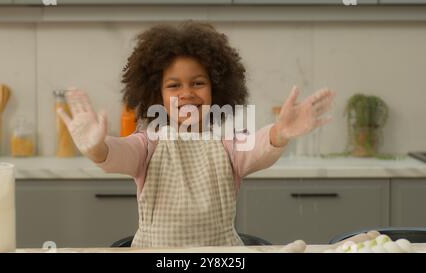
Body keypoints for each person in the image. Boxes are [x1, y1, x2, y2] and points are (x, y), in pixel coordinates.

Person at [58, 21, 335, 247]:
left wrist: (280, 132)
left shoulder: (229, 144)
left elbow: (258, 148)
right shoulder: (147, 144)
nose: (187, 93)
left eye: (198, 83)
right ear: (157, 95)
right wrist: (94, 147)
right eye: (174, 85)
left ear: (217, 89)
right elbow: (115, 154)